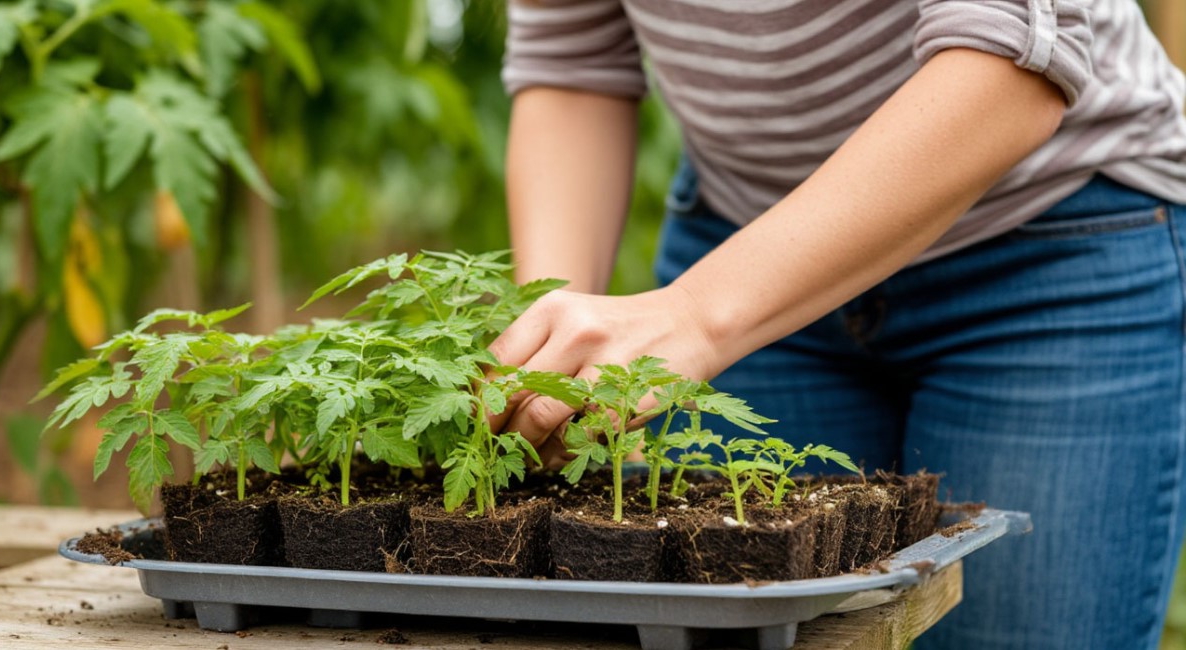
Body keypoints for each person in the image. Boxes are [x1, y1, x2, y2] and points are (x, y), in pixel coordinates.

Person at [487, 1, 1186, 648]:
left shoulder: (702, 314)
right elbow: (572, 58)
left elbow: (1014, 50)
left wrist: (696, 317)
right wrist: (551, 378)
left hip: (1050, 248)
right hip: (746, 239)